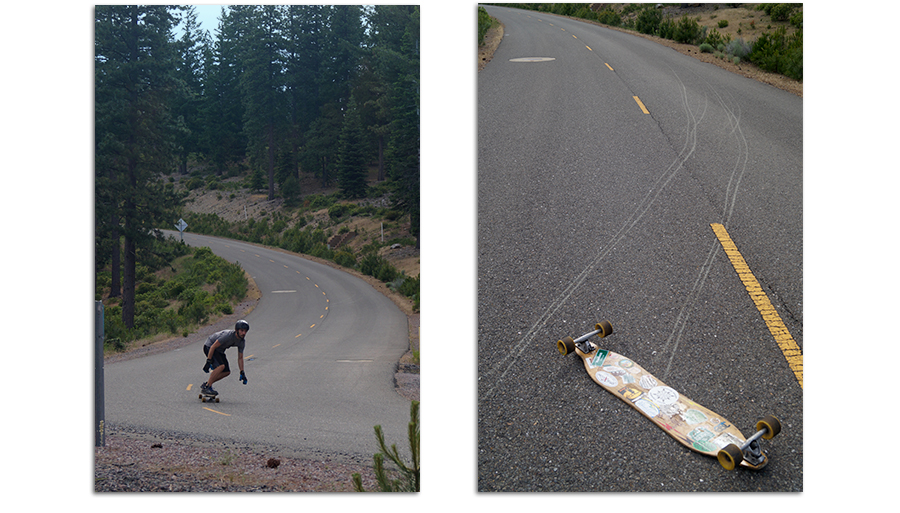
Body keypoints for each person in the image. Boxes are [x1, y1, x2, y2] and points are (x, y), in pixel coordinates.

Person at [201, 320, 249, 396]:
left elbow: (240, 358)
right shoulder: (228, 336)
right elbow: (213, 346)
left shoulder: (241, 342)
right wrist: (208, 361)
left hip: (219, 350)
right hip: (209, 347)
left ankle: (207, 384)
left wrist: (242, 372)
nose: (244, 333)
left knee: (226, 371)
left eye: (245, 331)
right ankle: (207, 387)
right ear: (236, 330)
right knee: (221, 366)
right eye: (242, 331)